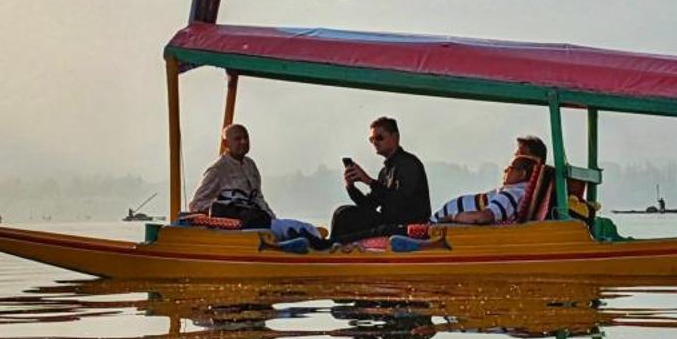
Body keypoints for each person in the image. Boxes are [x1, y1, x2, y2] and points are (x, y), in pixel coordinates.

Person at [187, 124, 323, 249]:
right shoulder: (218, 170)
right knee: (302, 228)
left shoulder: (250, 165)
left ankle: (313, 247)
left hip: (259, 219)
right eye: (238, 139)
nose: (243, 142)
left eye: (246, 138)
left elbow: (258, 197)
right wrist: (229, 209)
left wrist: (272, 218)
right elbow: (197, 204)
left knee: (301, 229)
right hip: (243, 225)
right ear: (226, 143)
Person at [327, 116, 430, 246]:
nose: (375, 142)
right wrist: (351, 186)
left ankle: (331, 247)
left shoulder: (408, 164)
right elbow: (368, 205)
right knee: (343, 211)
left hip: (406, 226)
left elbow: (400, 202)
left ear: (395, 137)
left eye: (379, 137)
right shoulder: (385, 172)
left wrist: (369, 181)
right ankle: (332, 247)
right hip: (389, 223)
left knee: (345, 215)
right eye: (372, 139)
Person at [426, 136, 548, 227]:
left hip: (440, 225)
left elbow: (484, 216)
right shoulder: (515, 191)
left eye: (519, 156)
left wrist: (453, 217)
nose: (505, 170)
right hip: (438, 221)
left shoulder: (514, 193)